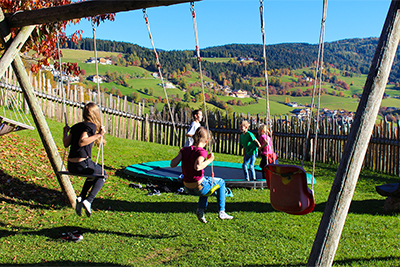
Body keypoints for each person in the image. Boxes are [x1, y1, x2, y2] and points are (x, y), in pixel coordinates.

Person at [171, 126, 233, 223]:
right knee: (221, 182)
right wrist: (209, 160)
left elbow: (172, 164)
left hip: (187, 187)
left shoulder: (185, 150)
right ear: (206, 141)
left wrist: (182, 154)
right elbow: (198, 166)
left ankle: (200, 210)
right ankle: (222, 211)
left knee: (206, 182)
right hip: (198, 187)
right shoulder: (202, 151)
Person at [63, 102, 107, 217]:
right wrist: (99, 135)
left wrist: (65, 133)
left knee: (93, 174)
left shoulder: (76, 126)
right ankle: (89, 200)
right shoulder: (91, 126)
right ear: (96, 114)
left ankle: (81, 197)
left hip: (71, 165)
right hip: (82, 164)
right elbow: (82, 142)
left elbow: (66, 144)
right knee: (103, 174)